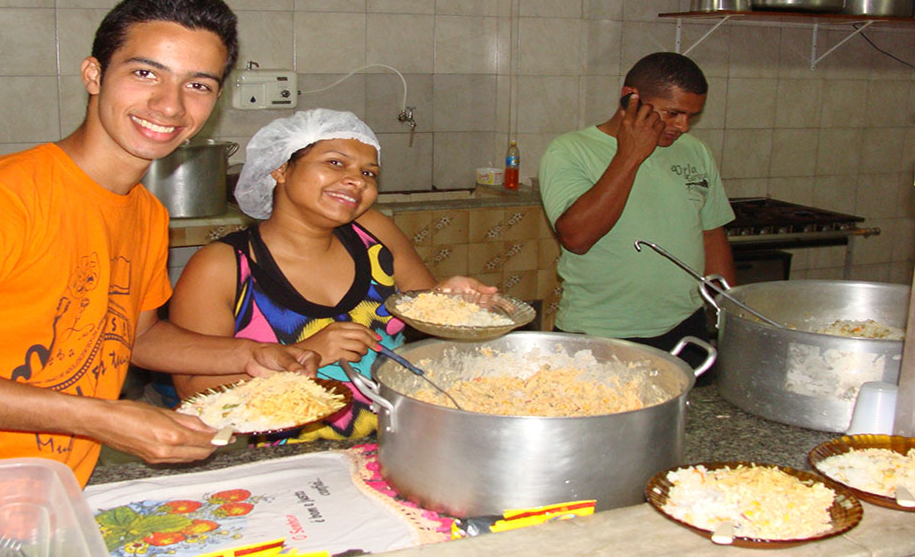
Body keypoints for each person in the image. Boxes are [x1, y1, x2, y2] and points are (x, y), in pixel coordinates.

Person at [0, 0, 318, 487]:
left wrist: (248, 354)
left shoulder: (145, 213)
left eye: (197, 85)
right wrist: (99, 418)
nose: (169, 106)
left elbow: (137, 337)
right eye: (145, 73)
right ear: (94, 75)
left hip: (49, 491)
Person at [170, 108, 494, 443]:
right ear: (280, 169)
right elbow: (193, 391)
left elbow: (425, 311)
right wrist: (307, 353)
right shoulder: (222, 267)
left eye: (369, 173)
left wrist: (451, 297)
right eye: (336, 163)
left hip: (398, 443)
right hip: (287, 458)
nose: (358, 180)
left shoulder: (374, 233)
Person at [538, 52, 735, 368]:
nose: (683, 126)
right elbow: (576, 238)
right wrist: (631, 154)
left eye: (691, 116)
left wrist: (732, 317)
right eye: (673, 113)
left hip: (686, 327)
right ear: (631, 97)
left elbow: (711, 234)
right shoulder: (570, 151)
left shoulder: (696, 151)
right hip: (601, 333)